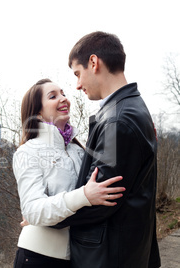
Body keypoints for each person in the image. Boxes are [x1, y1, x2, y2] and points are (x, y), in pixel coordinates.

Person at [47, 31, 161, 268]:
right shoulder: (131, 107)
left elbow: (103, 198)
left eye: (78, 74)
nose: (77, 85)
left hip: (109, 256)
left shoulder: (117, 120)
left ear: (93, 62)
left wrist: (48, 216)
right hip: (124, 250)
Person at [13, 78, 125, 268]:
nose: (64, 98)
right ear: (38, 113)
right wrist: (84, 196)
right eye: (53, 96)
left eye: (63, 93)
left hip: (78, 256)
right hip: (37, 257)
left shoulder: (79, 150)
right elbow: (32, 211)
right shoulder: (27, 152)